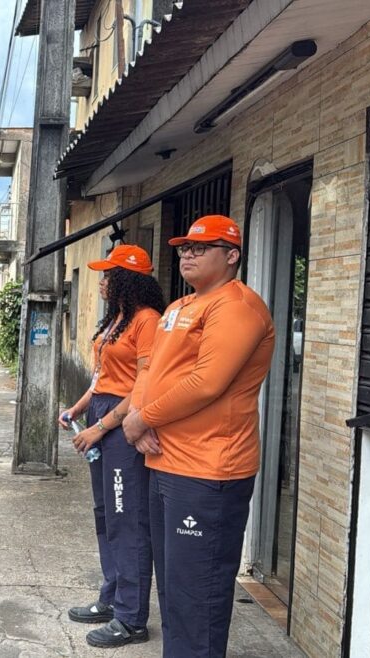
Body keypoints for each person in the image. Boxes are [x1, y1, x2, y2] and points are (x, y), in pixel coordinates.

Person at [122, 215, 275, 658]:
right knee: (173, 590)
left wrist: (142, 418)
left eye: (200, 247)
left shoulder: (237, 307)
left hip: (209, 470)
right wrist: (139, 419)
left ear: (232, 256)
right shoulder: (177, 309)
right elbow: (151, 371)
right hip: (166, 461)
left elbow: (208, 382)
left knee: (198, 595)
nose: (187, 253)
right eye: (184, 246)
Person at [57, 244, 166, 649]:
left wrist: (100, 427)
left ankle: (132, 617)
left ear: (128, 278)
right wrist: (78, 409)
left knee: (128, 518)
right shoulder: (117, 319)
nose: (101, 282)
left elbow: (143, 386)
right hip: (102, 413)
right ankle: (112, 597)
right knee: (106, 514)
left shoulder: (147, 321)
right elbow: (101, 378)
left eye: (108, 275)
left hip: (122, 424)